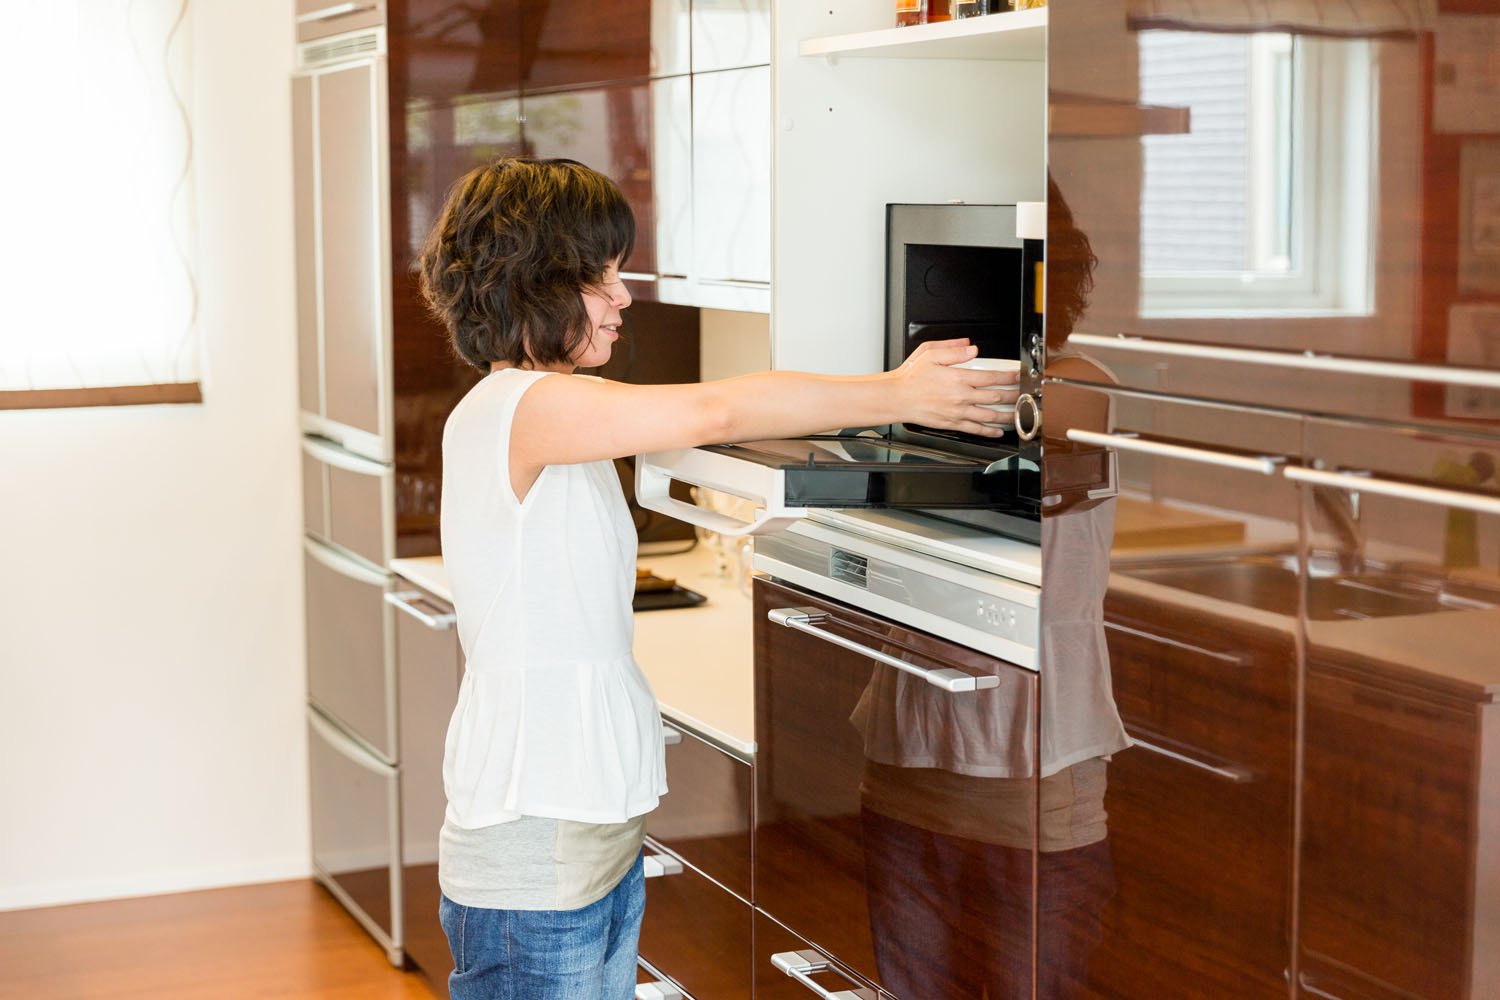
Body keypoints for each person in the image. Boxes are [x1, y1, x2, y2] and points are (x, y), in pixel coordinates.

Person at [415, 156, 1016, 1000]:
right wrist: (898, 392)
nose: (622, 298)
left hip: (587, 833)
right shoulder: (519, 407)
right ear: (535, 282)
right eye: (601, 277)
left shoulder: (548, 409)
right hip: (534, 849)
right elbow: (718, 410)